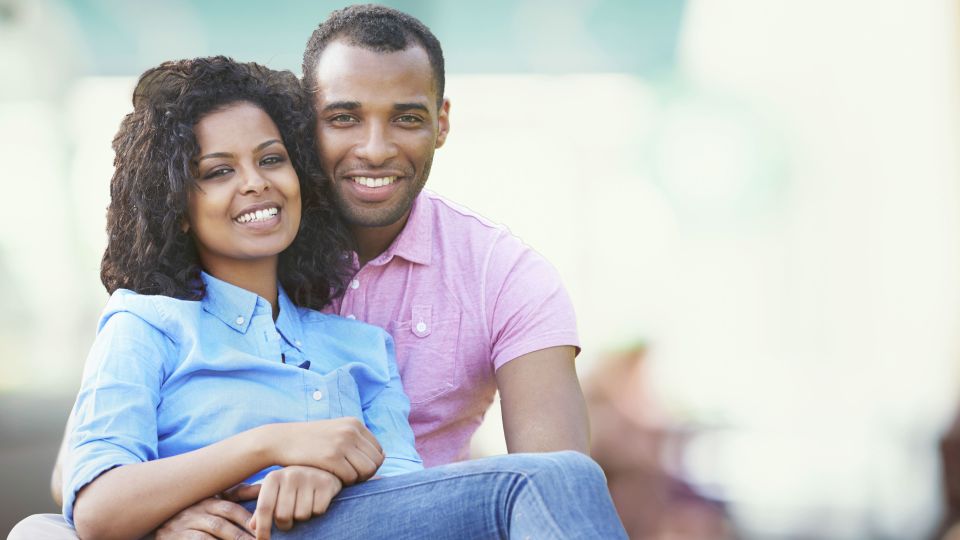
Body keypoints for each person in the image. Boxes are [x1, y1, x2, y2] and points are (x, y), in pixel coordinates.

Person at [31, 4, 592, 538]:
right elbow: (85, 482)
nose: (374, 149)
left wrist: (331, 475)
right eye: (345, 117)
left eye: (270, 160)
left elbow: (414, 490)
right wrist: (249, 462)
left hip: (385, 523)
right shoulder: (149, 322)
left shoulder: (373, 340)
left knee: (563, 475)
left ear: (441, 123)